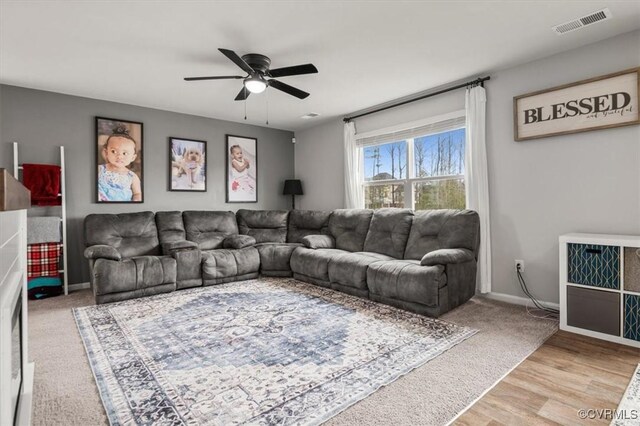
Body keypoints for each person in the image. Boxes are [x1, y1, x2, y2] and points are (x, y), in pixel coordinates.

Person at [98, 127, 142, 201]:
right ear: (106, 153)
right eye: (114, 151)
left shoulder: (133, 176)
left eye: (125, 153)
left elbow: (137, 194)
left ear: (133, 157)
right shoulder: (99, 169)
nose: (119, 156)